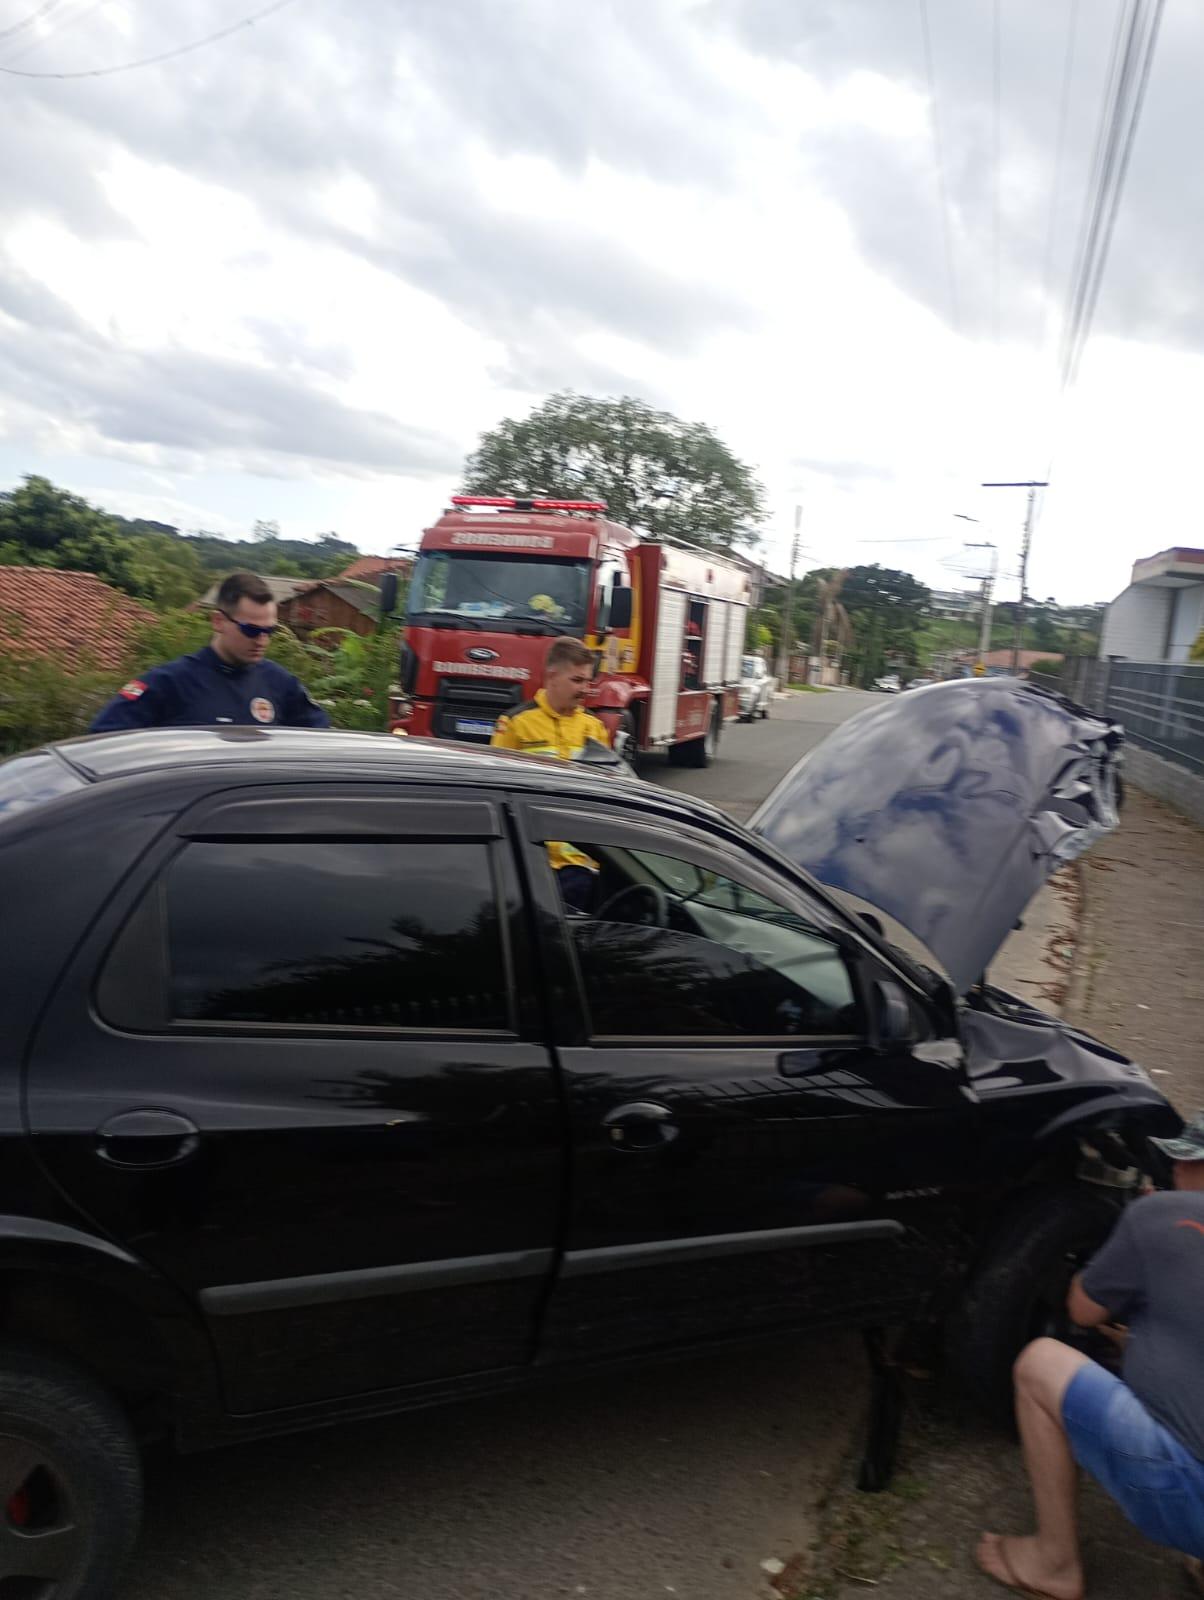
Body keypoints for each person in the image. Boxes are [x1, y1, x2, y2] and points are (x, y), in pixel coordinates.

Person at [977, 1114, 1204, 1599]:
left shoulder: (1163, 1213)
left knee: (1039, 1363)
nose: (1174, 1171)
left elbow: (1082, 1309)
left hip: (1191, 1495)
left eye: (1181, 1161)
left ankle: (1053, 1562)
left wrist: (1143, 1233)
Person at [91, 571, 329, 733]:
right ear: (218, 622)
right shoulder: (169, 684)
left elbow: (321, 744)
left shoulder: (281, 684)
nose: (263, 640)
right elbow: (102, 744)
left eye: (270, 630)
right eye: (251, 630)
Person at [491, 637, 610, 910]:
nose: (584, 689)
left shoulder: (593, 728)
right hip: (536, 863)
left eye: (588, 681)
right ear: (552, 676)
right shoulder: (516, 724)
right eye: (577, 680)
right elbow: (497, 793)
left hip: (586, 861)